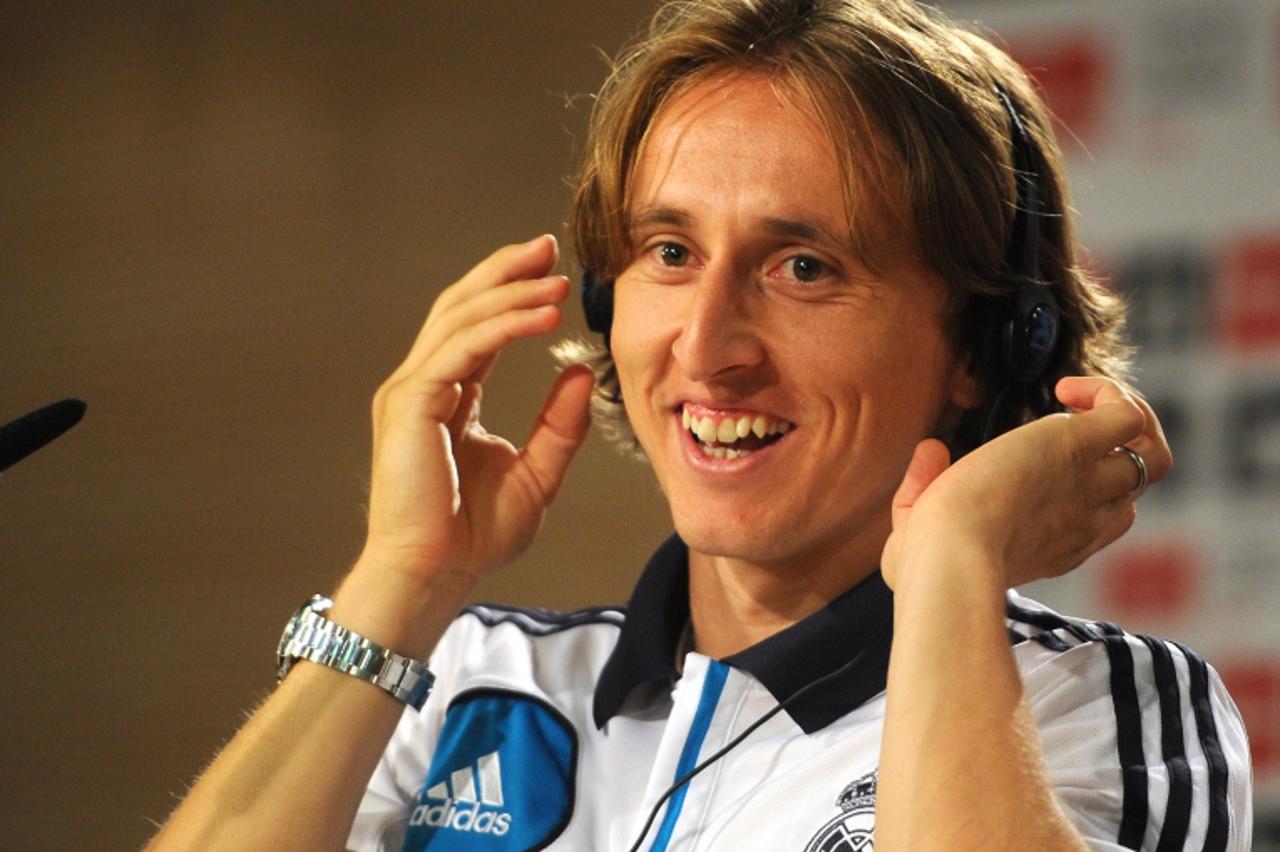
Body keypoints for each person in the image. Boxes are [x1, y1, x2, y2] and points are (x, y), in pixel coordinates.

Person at [149, 1, 1252, 849]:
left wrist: (954, 565)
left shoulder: (1095, 704)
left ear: (985, 344)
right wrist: (400, 578)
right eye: (668, 254)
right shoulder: (472, 680)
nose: (709, 344)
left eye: (802, 267)